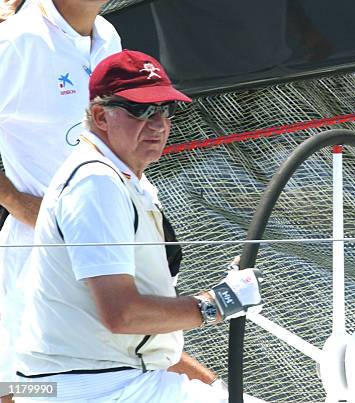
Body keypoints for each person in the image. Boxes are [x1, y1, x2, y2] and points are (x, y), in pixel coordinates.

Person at [14, 50, 264, 402]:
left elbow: (137, 340)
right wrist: (220, 302)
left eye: (165, 110)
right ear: (100, 116)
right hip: (94, 389)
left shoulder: (124, 180)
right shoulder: (95, 184)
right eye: (141, 110)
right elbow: (123, 314)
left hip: (103, 382)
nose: (158, 123)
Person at [0, 1, 121, 399]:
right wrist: (19, 203)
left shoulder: (108, 36)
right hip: (37, 253)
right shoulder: (16, 40)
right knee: (23, 389)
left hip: (108, 241)